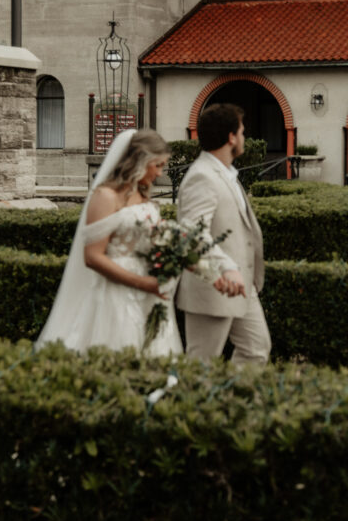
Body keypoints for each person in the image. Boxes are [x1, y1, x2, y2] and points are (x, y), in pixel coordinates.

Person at [36, 128, 182, 356]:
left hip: (150, 289)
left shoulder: (143, 195)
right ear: (140, 160)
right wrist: (141, 283)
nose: (160, 173)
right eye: (158, 165)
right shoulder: (105, 196)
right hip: (117, 290)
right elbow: (93, 257)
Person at [176, 103, 271, 365]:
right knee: (201, 363)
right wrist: (225, 267)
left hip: (244, 284)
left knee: (257, 349)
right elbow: (191, 234)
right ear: (231, 137)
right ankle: (194, 405)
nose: (244, 137)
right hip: (213, 283)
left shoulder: (227, 174)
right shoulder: (202, 176)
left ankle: (231, 403)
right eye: (241, 132)